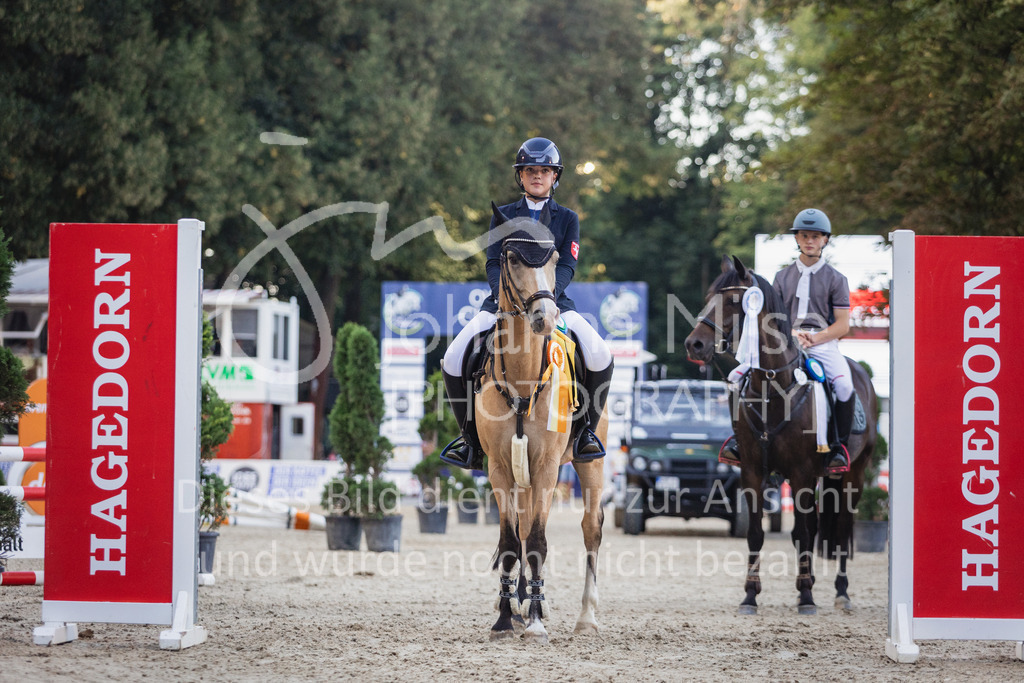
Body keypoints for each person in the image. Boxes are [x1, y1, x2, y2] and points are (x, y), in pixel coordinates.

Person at [439, 137, 614, 470]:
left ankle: (585, 433)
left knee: (600, 353)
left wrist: (548, 297)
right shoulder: (503, 215)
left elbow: (567, 265)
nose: (537, 176)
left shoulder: (567, 218)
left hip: (554, 303)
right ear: (520, 176)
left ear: (554, 177)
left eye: (544, 170)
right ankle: (469, 439)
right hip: (503, 305)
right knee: (452, 357)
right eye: (530, 170)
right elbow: (493, 261)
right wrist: (500, 295)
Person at [772, 208, 853, 474]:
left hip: (823, 344)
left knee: (844, 387)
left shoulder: (837, 279)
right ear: (797, 239)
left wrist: (815, 338)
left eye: (815, 236)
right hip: (787, 342)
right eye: (804, 235)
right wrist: (793, 335)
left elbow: (843, 324)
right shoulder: (781, 277)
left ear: (825, 240)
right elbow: (774, 318)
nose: (809, 240)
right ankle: (742, 442)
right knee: (743, 377)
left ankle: (839, 447)